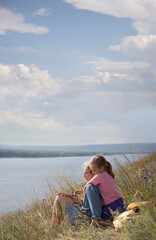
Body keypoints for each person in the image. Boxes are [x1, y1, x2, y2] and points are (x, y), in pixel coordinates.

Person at [51, 162, 102, 227]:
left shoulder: (91, 188)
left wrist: (93, 224)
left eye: (86, 173)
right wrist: (71, 198)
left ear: (93, 173)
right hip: (83, 214)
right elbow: (88, 204)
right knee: (61, 196)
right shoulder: (95, 185)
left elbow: (95, 210)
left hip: (82, 220)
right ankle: (54, 227)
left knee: (59, 198)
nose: (84, 176)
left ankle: (54, 227)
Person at [86, 154, 124, 225]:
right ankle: (117, 213)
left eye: (94, 170)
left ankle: (111, 216)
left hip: (111, 204)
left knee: (101, 218)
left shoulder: (99, 175)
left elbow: (88, 184)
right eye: (92, 170)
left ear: (101, 168)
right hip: (119, 201)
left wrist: (80, 191)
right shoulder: (108, 174)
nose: (93, 172)